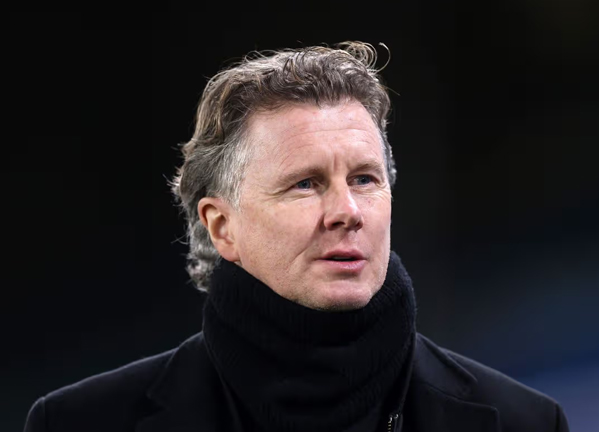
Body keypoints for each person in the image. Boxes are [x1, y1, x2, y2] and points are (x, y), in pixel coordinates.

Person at [24, 42, 569, 432]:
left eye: (364, 179)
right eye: (306, 184)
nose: (347, 212)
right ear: (221, 226)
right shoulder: (80, 421)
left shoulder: (524, 422)